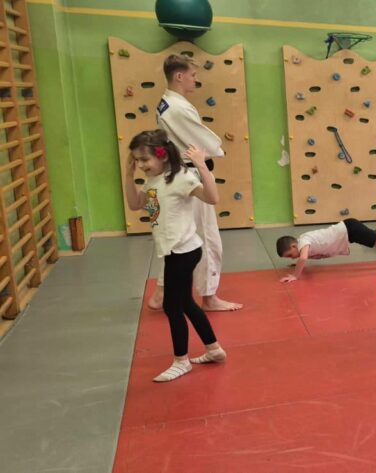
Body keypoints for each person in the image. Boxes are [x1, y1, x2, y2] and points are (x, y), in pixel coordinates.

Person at [123, 130, 226, 382]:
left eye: (144, 159)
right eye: (137, 160)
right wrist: (128, 174)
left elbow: (212, 198)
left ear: (163, 156)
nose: (141, 165)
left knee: (172, 306)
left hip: (184, 251)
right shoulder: (152, 181)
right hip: (174, 251)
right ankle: (214, 349)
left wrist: (201, 166)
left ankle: (181, 361)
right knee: (186, 303)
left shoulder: (180, 178)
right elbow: (135, 205)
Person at [148, 54, 242, 312]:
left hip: (175, 175)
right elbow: (208, 144)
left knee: (179, 237)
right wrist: (216, 149)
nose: (195, 79)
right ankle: (209, 297)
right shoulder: (178, 107)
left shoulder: (166, 102)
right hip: (189, 176)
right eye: (193, 75)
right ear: (179, 76)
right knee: (207, 237)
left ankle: (161, 291)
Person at [275, 219, 376, 282]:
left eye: (290, 255)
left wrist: (295, 275)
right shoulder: (304, 242)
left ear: (293, 246)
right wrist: (298, 263)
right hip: (348, 228)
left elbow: (303, 258)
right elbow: (305, 256)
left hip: (350, 230)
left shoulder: (303, 242)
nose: (292, 258)